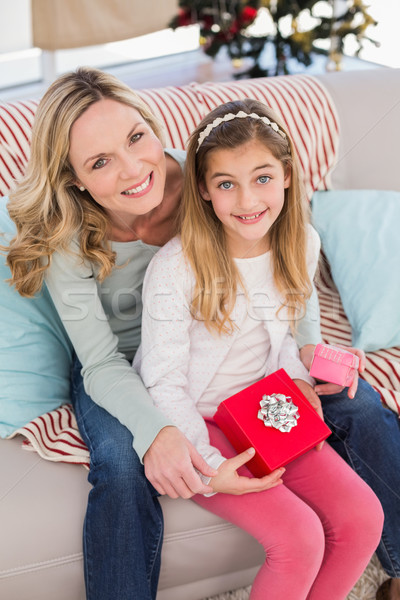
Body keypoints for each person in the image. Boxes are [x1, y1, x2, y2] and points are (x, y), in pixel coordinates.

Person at [2, 67, 399, 599]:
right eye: (100, 162)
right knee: (122, 465)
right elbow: (99, 363)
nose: (132, 168)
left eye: (136, 138)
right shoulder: (65, 235)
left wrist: (305, 351)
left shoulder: (212, 180)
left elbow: (288, 260)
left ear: (152, 124)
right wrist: (163, 434)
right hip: (124, 365)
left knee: (360, 402)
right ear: (74, 177)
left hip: (223, 343)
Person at [135, 98, 384, 599]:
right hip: (198, 419)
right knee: (298, 537)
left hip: (265, 409)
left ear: (288, 175)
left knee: (363, 517)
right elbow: (162, 382)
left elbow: (286, 332)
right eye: (226, 183)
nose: (247, 199)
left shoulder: (301, 242)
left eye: (263, 177)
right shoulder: (175, 268)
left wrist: (297, 378)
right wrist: (206, 467)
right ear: (204, 190)